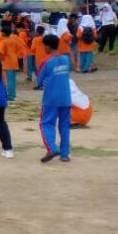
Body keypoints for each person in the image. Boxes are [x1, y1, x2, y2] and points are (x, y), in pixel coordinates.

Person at [37, 34, 73, 163]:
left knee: (46, 123)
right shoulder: (66, 59)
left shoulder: (46, 62)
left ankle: (52, 148)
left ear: (47, 46)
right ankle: (65, 154)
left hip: (51, 99)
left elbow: (38, 81)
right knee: (64, 126)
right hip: (66, 97)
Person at [0, 27, 26, 101]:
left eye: (1, 32)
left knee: (8, 80)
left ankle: (10, 95)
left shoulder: (3, 42)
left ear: (4, 33)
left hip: (7, 62)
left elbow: (0, 52)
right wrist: (18, 56)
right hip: (14, 61)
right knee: (12, 79)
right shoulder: (14, 41)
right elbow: (21, 49)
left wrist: (1, 59)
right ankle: (13, 94)